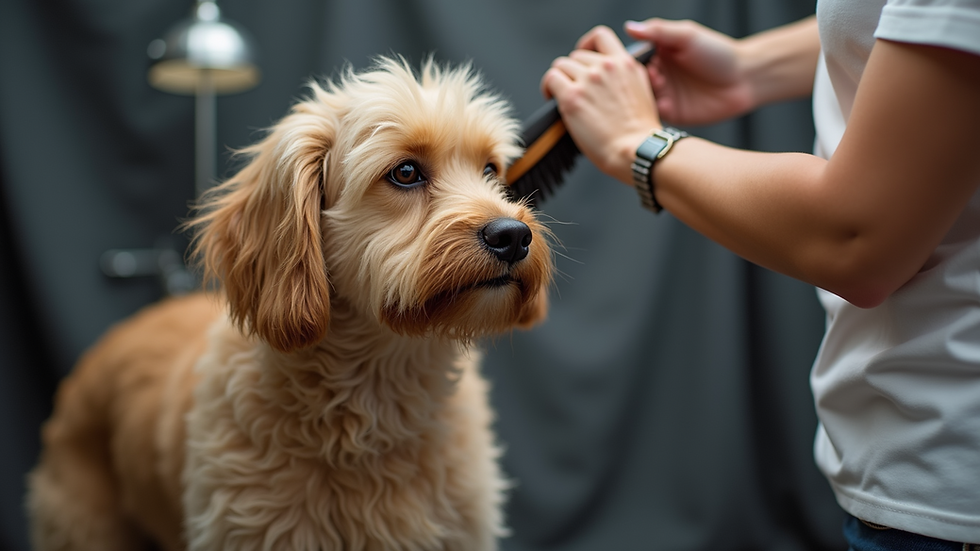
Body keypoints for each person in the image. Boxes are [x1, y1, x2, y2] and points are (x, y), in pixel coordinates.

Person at [540, 1, 980, 549]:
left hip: (949, 500)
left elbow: (856, 239)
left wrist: (635, 142)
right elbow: (912, 29)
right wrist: (752, 66)